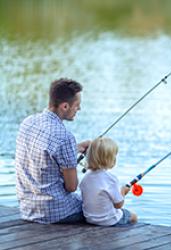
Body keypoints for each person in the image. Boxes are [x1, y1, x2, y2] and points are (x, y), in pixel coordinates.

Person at [15, 78, 90, 224]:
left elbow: (43, 155)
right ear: (65, 106)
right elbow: (71, 187)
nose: (79, 109)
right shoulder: (65, 137)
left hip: (27, 209)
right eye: (77, 105)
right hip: (55, 213)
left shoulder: (28, 122)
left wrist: (76, 148)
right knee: (107, 208)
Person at [80, 137, 137, 226]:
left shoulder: (85, 178)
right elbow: (118, 205)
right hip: (110, 221)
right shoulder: (110, 179)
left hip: (90, 219)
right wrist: (123, 191)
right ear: (109, 159)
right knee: (133, 216)